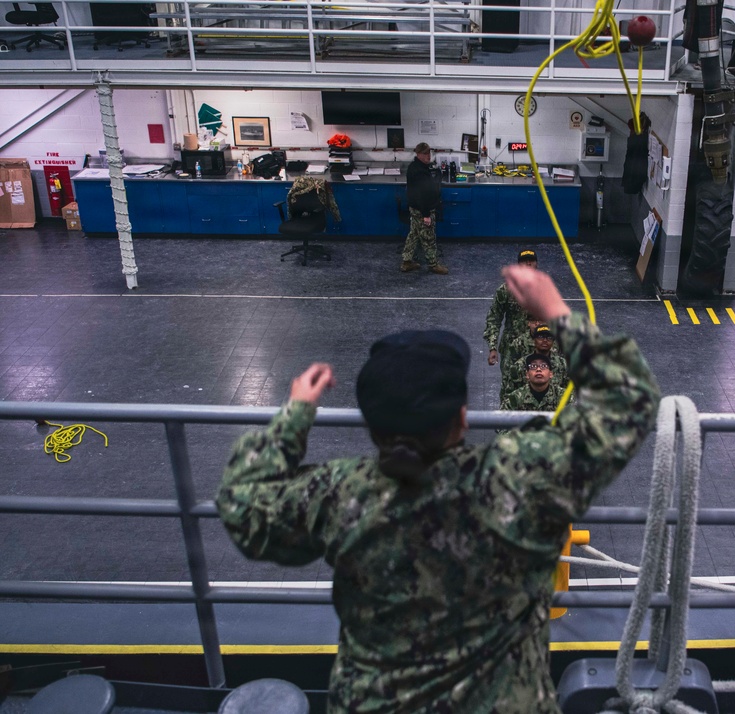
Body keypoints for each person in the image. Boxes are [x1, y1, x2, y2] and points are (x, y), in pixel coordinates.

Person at [216, 266, 660, 713]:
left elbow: (242, 504)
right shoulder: (517, 480)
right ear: (462, 418)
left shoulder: (339, 495)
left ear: (374, 428)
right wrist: (556, 312)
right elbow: (631, 397)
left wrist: (294, 417)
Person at [484, 249, 538, 403]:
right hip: (511, 349)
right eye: (524, 261)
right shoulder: (506, 290)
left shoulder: (543, 289)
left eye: (531, 260)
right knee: (509, 388)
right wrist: (493, 347)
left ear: (536, 264)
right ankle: (505, 426)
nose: (528, 263)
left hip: (537, 347)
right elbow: (494, 318)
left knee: (536, 387)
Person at [401, 142, 447, 275]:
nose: (428, 156)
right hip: (422, 209)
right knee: (429, 237)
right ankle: (433, 264)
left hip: (416, 209)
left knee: (414, 234)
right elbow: (422, 195)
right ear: (418, 154)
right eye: (425, 154)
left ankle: (406, 262)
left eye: (429, 153)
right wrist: (426, 215)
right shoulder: (419, 171)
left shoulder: (417, 166)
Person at [506, 324, 568, 396]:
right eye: (540, 337)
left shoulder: (563, 364)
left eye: (549, 337)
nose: (545, 340)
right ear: (534, 340)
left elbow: (570, 393)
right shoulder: (520, 365)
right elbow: (509, 395)